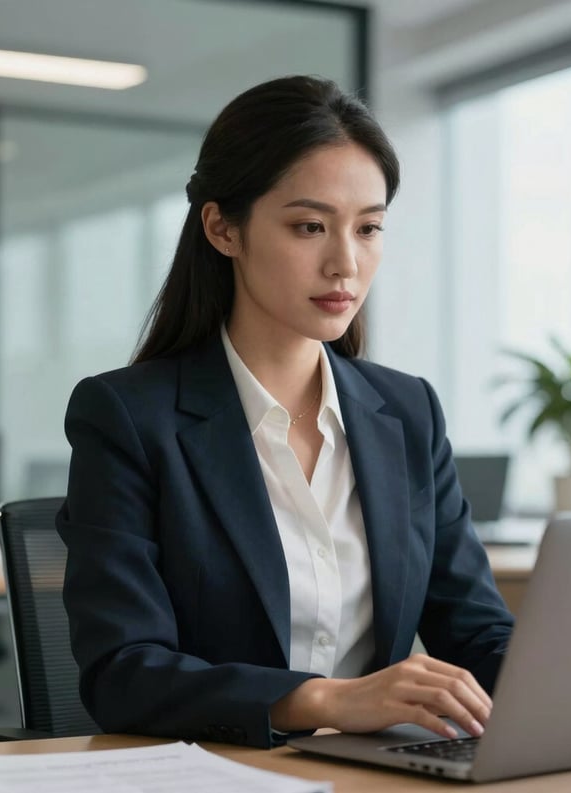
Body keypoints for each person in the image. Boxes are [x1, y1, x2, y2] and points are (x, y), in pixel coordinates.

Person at [57, 74, 514, 750]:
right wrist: (330, 699)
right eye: (310, 226)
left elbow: (476, 631)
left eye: (368, 228)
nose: (345, 263)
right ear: (223, 228)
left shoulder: (407, 412)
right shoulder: (127, 416)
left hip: (375, 772)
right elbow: (124, 672)